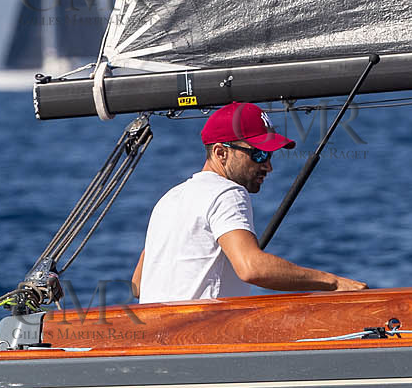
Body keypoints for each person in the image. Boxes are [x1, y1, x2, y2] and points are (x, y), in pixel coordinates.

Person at [132, 102, 367, 302]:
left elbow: (138, 285)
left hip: (154, 336)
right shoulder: (226, 192)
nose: (268, 166)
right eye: (259, 154)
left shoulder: (168, 199)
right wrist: (333, 283)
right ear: (220, 153)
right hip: (200, 336)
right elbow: (251, 267)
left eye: (270, 155)